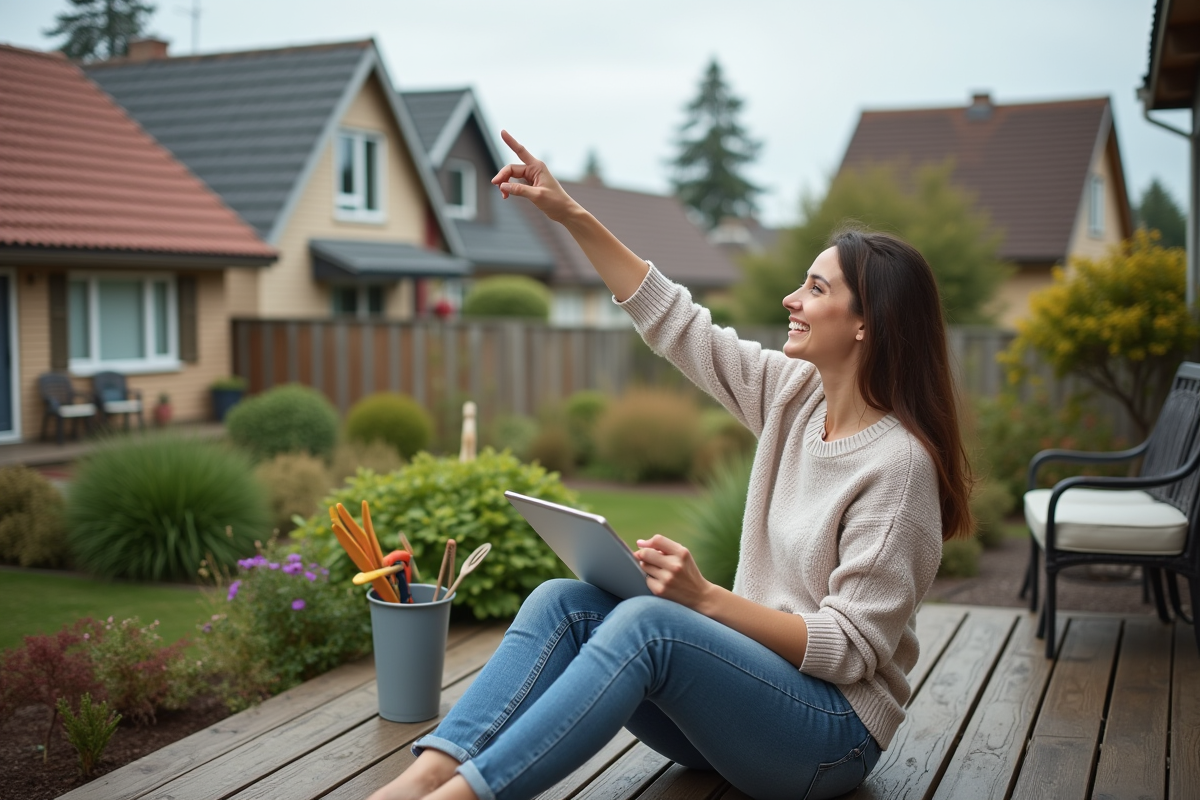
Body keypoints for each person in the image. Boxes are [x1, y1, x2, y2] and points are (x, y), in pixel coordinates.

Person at [368, 131, 973, 800]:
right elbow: (677, 323)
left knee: (649, 625)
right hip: (741, 709)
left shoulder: (898, 467)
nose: (791, 299)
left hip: (829, 738)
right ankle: (424, 777)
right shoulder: (796, 396)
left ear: (866, 323)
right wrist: (570, 214)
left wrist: (704, 599)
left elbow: (849, 651)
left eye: (815, 287)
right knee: (562, 602)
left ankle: (461, 798)